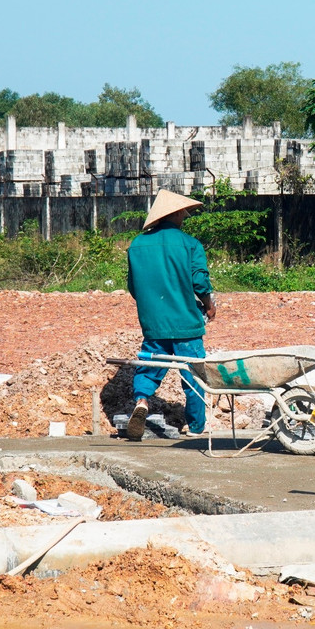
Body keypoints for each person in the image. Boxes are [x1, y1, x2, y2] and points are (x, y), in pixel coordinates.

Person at [125, 189, 216, 441]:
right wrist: (209, 305)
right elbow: (200, 283)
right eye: (183, 213)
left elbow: (134, 287)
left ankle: (142, 401)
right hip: (186, 323)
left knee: (149, 367)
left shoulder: (137, 245)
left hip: (154, 324)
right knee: (194, 375)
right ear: (174, 214)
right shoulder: (190, 244)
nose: (185, 216)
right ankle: (195, 426)